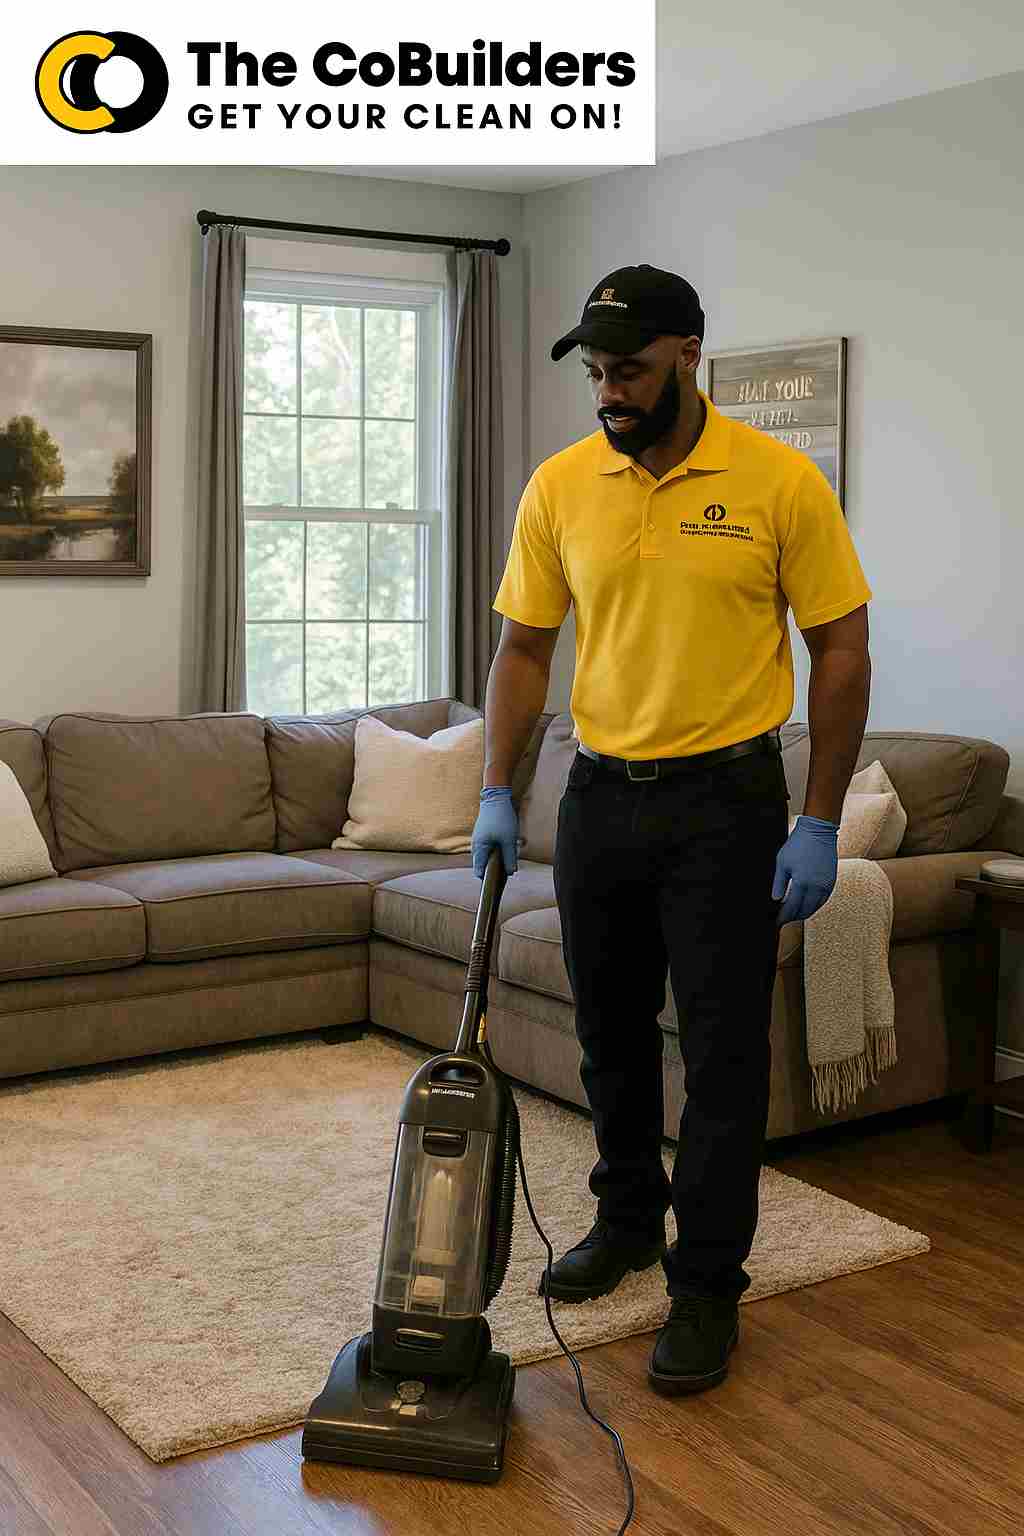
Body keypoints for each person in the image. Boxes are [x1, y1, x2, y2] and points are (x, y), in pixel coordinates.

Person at [472, 264, 872, 1397]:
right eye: (597, 372)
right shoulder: (561, 485)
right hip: (597, 795)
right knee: (608, 1037)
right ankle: (628, 1223)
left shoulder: (778, 481)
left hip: (726, 806)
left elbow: (841, 647)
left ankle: (706, 1284)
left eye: (631, 370)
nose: (609, 391)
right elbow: (524, 649)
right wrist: (495, 788)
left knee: (723, 1054)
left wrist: (819, 817)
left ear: (690, 356)